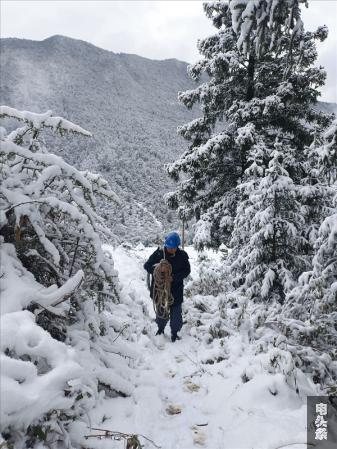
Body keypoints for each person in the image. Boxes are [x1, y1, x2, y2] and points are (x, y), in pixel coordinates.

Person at [144, 231, 190, 342]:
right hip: (160, 291)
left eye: (174, 248)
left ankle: (175, 333)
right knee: (161, 312)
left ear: (177, 246)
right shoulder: (159, 254)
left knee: (176, 315)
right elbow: (147, 266)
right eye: (169, 247)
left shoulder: (182, 256)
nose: (171, 250)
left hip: (176, 291)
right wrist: (158, 269)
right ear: (166, 245)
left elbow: (187, 271)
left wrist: (174, 277)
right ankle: (160, 329)